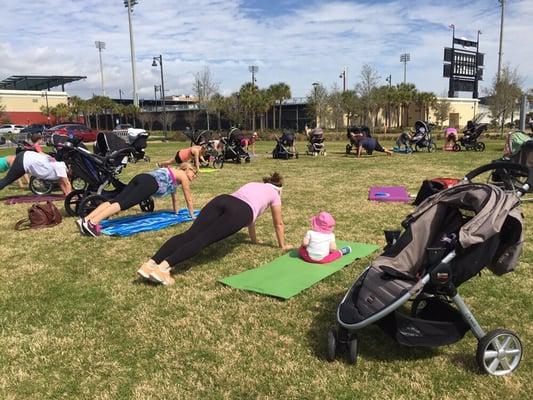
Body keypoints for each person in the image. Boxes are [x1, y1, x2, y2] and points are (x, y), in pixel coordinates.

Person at [137, 172, 292, 285]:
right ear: (279, 188)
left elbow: (251, 215)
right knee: (203, 239)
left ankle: (150, 264)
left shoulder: (254, 184)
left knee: (189, 234)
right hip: (240, 211)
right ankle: (163, 269)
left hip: (223, 200)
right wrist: (283, 245)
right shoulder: (275, 194)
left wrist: (254, 240)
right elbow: (278, 224)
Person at [78, 162, 197, 237]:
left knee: (116, 200)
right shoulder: (183, 175)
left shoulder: (174, 176)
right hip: (149, 184)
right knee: (122, 204)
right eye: (194, 173)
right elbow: (189, 199)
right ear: (188, 169)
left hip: (142, 177)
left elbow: (175, 198)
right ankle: (93, 223)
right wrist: (192, 216)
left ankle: (86, 219)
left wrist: (176, 212)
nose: (194, 176)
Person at [0, 151, 71, 194]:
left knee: (6, 180)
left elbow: (61, 182)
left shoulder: (59, 166)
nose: (71, 174)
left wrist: (65, 193)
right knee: (6, 181)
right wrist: (71, 196)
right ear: (69, 167)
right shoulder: (61, 166)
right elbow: (67, 183)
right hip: (24, 161)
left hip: (25, 157)